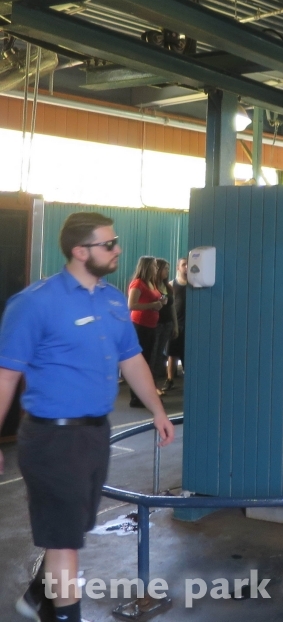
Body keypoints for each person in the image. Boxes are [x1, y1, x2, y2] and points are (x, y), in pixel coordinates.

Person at [0, 212, 173, 622]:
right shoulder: (34, 303)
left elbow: (132, 359)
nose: (118, 250)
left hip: (95, 435)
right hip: (52, 439)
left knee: (72, 529)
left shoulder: (112, 300)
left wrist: (158, 410)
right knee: (65, 544)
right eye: (108, 244)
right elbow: (6, 376)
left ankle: (40, 595)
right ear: (80, 251)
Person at [127, 256, 164, 408]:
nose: (156, 268)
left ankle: (144, 395)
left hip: (151, 326)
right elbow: (131, 305)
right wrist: (152, 305)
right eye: (154, 266)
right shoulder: (138, 283)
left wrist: (160, 301)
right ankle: (136, 397)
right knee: (140, 363)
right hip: (140, 326)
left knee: (148, 362)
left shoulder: (151, 283)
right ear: (147, 267)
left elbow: (153, 299)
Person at [150, 259, 176, 394]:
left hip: (167, 324)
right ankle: (151, 386)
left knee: (160, 356)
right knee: (152, 356)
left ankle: (155, 385)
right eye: (165, 268)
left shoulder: (168, 287)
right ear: (158, 269)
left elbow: (172, 307)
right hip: (155, 324)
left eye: (168, 269)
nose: (167, 271)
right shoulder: (151, 287)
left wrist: (175, 325)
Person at [166, 257, 188, 390]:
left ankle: (189, 380)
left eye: (188, 265)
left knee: (188, 353)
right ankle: (170, 380)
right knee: (172, 353)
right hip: (176, 324)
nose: (186, 267)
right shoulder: (171, 285)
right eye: (184, 264)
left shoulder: (194, 285)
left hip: (190, 325)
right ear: (178, 268)